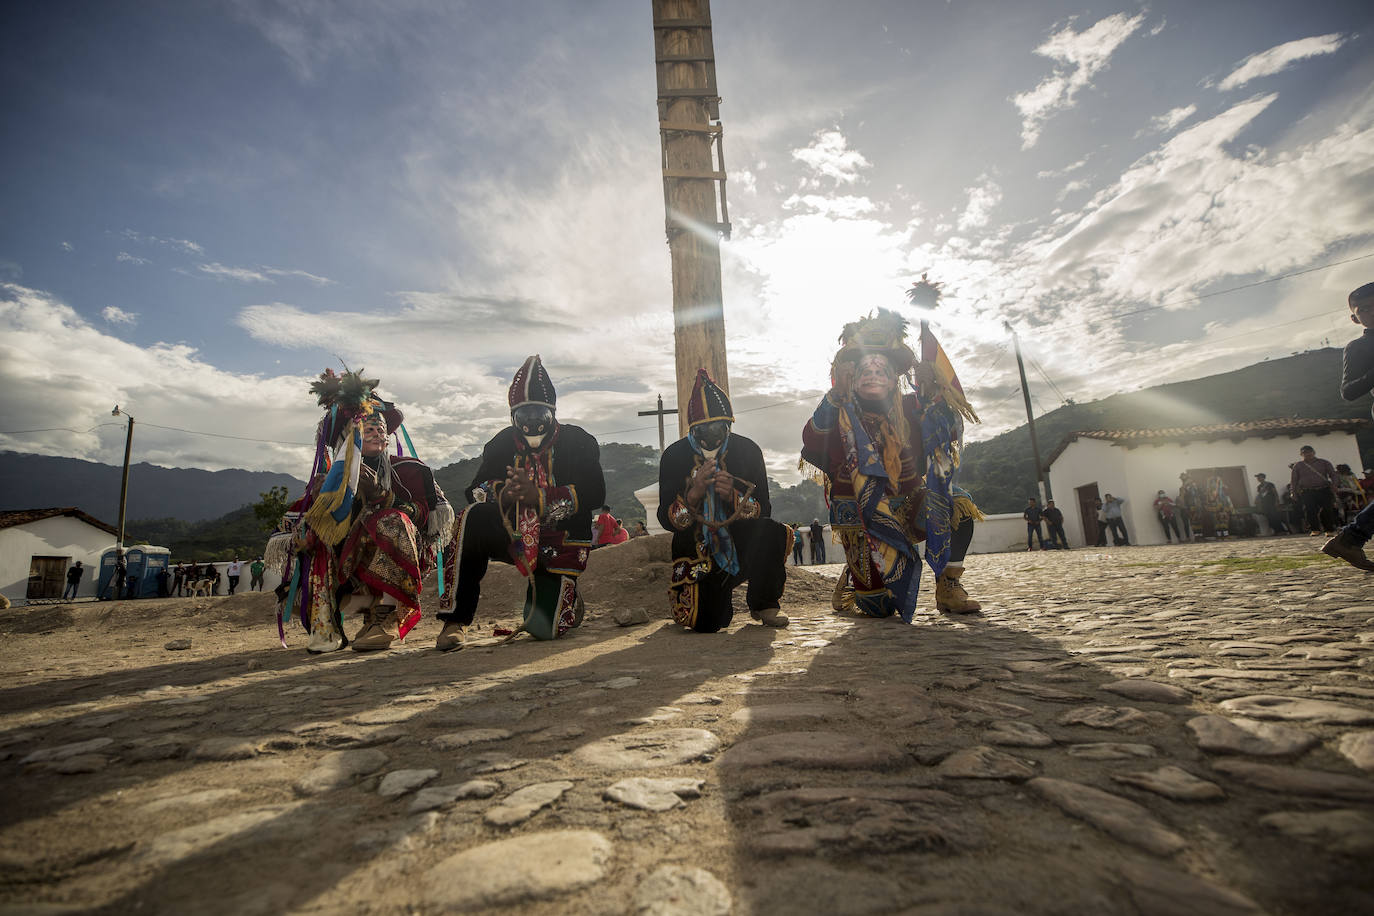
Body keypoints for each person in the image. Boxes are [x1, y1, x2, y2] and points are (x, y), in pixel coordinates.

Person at [801, 302, 984, 618]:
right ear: (851, 377)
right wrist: (834, 397)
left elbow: (948, 431)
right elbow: (812, 437)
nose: (874, 375)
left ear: (894, 377)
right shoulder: (838, 409)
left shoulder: (913, 406)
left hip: (909, 504)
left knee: (958, 504)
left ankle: (949, 584)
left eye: (882, 370)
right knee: (881, 607)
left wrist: (935, 392)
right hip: (862, 517)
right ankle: (855, 575)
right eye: (865, 371)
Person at [266, 368, 453, 653]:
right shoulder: (330, 484)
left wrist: (383, 497)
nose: (378, 432)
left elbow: (429, 516)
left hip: (402, 558)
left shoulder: (411, 471)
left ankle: (384, 616)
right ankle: (326, 625)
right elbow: (287, 535)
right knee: (317, 536)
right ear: (346, 440)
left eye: (381, 428)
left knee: (390, 520)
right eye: (367, 428)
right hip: (348, 574)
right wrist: (314, 523)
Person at [436, 355, 603, 648]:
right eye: (523, 416)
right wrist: (504, 493)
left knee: (543, 629)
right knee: (472, 517)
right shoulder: (500, 444)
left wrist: (539, 497)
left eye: (540, 414)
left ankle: (567, 596)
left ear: (552, 413)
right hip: (514, 536)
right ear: (513, 417)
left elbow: (594, 493)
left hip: (559, 542)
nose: (532, 422)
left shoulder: (579, 441)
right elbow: (475, 489)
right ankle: (456, 620)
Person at [660, 368, 788, 631]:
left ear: (728, 425)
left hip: (740, 541)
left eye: (719, 426)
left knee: (771, 531)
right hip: (695, 549)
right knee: (709, 623)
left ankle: (765, 603)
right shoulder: (673, 456)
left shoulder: (748, 450)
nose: (712, 434)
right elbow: (669, 521)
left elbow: (764, 509)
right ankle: (706, 600)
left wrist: (734, 496)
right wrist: (693, 494)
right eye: (704, 428)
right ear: (692, 429)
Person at [1322, 282, 1374, 571]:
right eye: (1364, 309)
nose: (1372, 312)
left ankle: (1351, 538)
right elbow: (1349, 390)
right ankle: (1351, 537)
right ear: (1355, 318)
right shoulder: (1361, 347)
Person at [1290, 444, 1339, 536]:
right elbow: (1294, 480)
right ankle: (1315, 529)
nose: (1308, 454)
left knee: (1327, 509)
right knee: (1310, 510)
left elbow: (1333, 474)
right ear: (1301, 454)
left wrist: (1334, 484)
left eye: (1309, 452)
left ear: (1313, 452)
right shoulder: (1298, 466)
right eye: (1305, 453)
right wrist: (1293, 492)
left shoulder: (1324, 463)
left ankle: (1329, 529)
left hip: (1323, 489)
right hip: (1307, 491)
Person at [1176, 473, 1202, 541]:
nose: (1182, 480)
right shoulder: (1187, 486)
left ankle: (1199, 535)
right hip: (1192, 505)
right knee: (1195, 520)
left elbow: (1185, 496)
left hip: (1192, 505)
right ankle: (1198, 535)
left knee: (1195, 520)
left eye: (1183, 478)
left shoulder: (1187, 486)